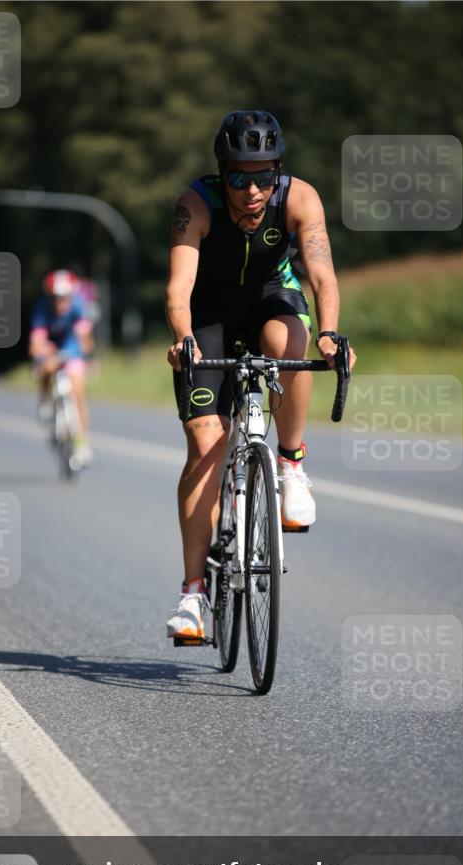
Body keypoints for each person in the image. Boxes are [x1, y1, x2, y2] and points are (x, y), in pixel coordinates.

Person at [165, 109, 356, 640]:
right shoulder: (194, 205)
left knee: (288, 340)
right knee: (206, 443)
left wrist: (330, 333)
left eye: (263, 176)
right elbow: (178, 289)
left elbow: (321, 273)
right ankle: (193, 595)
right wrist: (184, 339)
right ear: (221, 174)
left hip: (272, 298)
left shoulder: (300, 198)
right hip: (209, 314)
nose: (252, 190)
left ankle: (291, 464)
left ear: (278, 172)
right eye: (239, 177)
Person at [29, 269, 94, 465]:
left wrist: (88, 355)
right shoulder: (42, 309)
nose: (60, 303)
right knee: (46, 368)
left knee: (78, 391)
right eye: (56, 298)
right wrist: (41, 354)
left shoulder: (78, 306)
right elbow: (36, 342)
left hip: (70, 346)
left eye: (65, 298)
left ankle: (82, 442)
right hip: (49, 345)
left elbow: (84, 337)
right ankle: (45, 399)